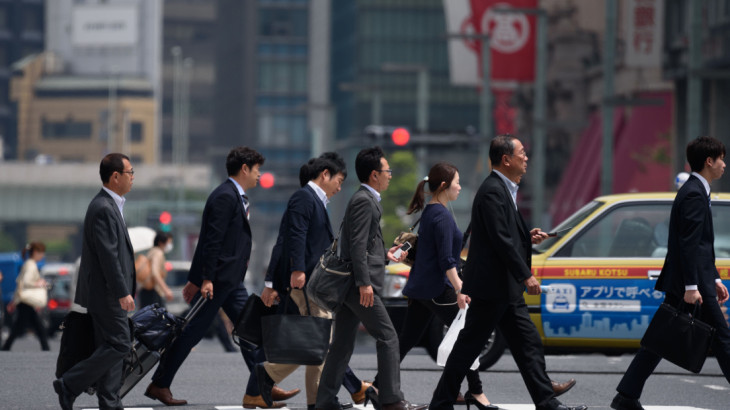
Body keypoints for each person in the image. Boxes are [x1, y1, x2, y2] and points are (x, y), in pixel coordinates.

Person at [429, 135, 587, 410]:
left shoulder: (503, 189)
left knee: (528, 344)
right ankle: (440, 403)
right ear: (506, 159)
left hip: (504, 288)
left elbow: (503, 234)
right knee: (468, 348)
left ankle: (546, 402)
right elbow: (500, 238)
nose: (526, 158)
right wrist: (526, 275)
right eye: (522, 153)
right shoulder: (493, 190)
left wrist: (527, 237)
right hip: (492, 287)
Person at [145, 146, 299, 407]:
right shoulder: (225, 196)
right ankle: (160, 384)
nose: (260, 175)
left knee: (252, 331)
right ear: (244, 169)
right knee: (191, 333)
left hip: (231, 282)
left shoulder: (233, 196)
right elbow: (210, 241)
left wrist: (196, 278)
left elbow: (208, 239)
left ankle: (262, 387)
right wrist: (203, 279)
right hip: (217, 282)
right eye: (257, 170)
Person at [611, 136, 730, 410]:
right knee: (723, 338)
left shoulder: (698, 191)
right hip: (691, 283)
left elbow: (702, 244)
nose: (725, 164)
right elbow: (688, 245)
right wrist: (692, 286)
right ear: (709, 161)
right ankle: (625, 396)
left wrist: (714, 277)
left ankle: (626, 396)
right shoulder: (693, 194)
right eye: (721, 158)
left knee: (661, 337)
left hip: (696, 280)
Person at [257, 153, 371, 410]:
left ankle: (317, 400)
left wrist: (272, 281)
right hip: (309, 282)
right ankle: (272, 377)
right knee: (321, 341)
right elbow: (293, 236)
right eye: (339, 181)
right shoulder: (304, 197)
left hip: (315, 283)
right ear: (325, 175)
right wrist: (296, 270)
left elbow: (284, 240)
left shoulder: (314, 201)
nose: (339, 188)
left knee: (318, 342)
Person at [315, 146, 425, 410]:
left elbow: (363, 245)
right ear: (375, 174)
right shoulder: (365, 200)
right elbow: (356, 245)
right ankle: (390, 399)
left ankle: (325, 401)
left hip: (351, 284)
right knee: (388, 337)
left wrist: (384, 254)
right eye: (387, 171)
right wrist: (364, 283)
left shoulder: (365, 198)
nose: (390, 175)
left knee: (341, 344)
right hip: (358, 286)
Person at [52, 153, 137, 410]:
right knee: (120, 343)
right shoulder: (102, 207)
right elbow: (108, 255)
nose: (133, 178)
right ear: (115, 177)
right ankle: (69, 384)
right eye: (130, 172)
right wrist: (123, 292)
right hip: (107, 293)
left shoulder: (112, 205)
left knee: (110, 345)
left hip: (109, 292)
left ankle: (110, 402)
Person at [2, 241, 50, 351]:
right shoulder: (31, 265)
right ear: (36, 253)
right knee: (34, 326)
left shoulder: (28, 264)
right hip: (26, 301)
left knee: (24, 326)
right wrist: (39, 283)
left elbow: (19, 285)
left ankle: (6, 347)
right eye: (41, 253)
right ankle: (45, 348)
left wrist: (13, 302)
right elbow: (26, 282)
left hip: (23, 301)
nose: (42, 256)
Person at [137, 232, 174, 308]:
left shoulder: (152, 251)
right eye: (169, 242)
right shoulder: (158, 253)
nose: (169, 245)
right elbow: (155, 273)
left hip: (145, 291)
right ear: (161, 242)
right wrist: (166, 290)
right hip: (153, 292)